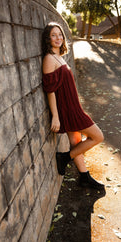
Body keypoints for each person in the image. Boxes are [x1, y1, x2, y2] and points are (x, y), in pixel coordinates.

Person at [42, 22, 104, 190]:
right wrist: (55, 116)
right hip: (68, 110)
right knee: (98, 137)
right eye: (53, 35)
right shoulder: (49, 59)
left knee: (76, 141)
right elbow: (50, 90)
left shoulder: (59, 57)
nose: (58, 38)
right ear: (48, 39)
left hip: (73, 107)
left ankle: (84, 176)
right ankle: (65, 157)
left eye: (60, 34)